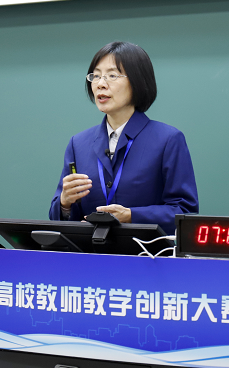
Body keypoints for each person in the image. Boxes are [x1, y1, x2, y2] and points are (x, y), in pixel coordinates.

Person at [48, 41, 198, 235]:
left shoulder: (168, 140)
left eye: (112, 75)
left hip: (146, 251)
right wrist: (65, 203)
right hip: (89, 252)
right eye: (96, 76)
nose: (101, 84)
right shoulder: (78, 144)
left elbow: (185, 212)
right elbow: (63, 220)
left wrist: (131, 215)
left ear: (137, 81)